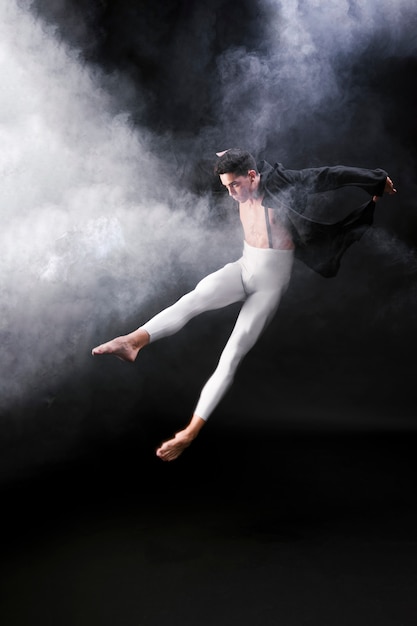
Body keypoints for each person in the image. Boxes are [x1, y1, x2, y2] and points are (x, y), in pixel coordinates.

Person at [92, 149, 396, 461]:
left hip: (269, 285)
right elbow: (240, 157)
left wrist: (375, 179)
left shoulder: (282, 183)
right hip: (244, 266)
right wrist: (230, 157)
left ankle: (190, 431)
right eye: (226, 187)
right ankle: (133, 341)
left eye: (235, 185)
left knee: (232, 354)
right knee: (193, 299)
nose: (232, 193)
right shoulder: (242, 173)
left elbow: (330, 175)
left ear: (252, 176)